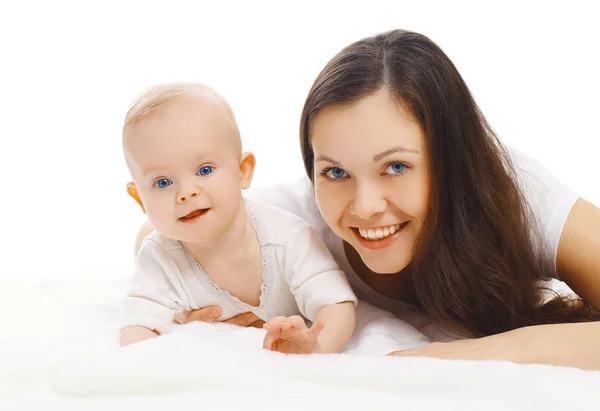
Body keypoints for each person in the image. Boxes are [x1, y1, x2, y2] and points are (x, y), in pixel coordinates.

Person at [136, 30, 600, 370]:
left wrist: (486, 351)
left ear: (451, 159)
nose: (364, 206)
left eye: (396, 167)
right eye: (335, 171)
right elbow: (152, 232)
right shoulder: (293, 221)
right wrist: (203, 299)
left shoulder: (519, 197)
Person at [118, 82, 359, 354]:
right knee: (146, 241)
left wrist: (317, 347)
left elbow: (337, 304)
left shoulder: (289, 237)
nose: (186, 192)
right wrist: (146, 363)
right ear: (140, 199)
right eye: (162, 183)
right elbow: (136, 325)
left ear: (243, 171)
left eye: (205, 169)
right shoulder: (159, 256)